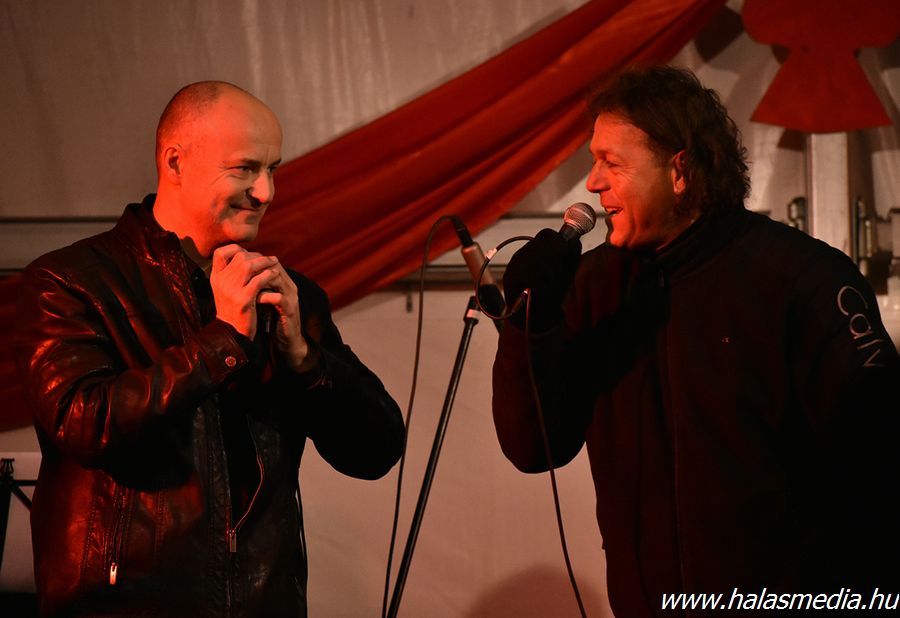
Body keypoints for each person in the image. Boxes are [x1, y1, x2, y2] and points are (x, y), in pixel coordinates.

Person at [493, 65, 900, 615]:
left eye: (612, 162)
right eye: (594, 161)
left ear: (679, 170)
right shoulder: (593, 287)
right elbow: (534, 447)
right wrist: (528, 325)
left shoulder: (801, 279)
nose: (592, 183)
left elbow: (878, 468)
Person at [15, 81, 405, 617]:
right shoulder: (71, 280)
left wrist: (304, 360)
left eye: (273, 169)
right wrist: (223, 340)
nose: (265, 192)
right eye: (245, 168)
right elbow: (85, 423)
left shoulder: (285, 292)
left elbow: (377, 449)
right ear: (175, 162)